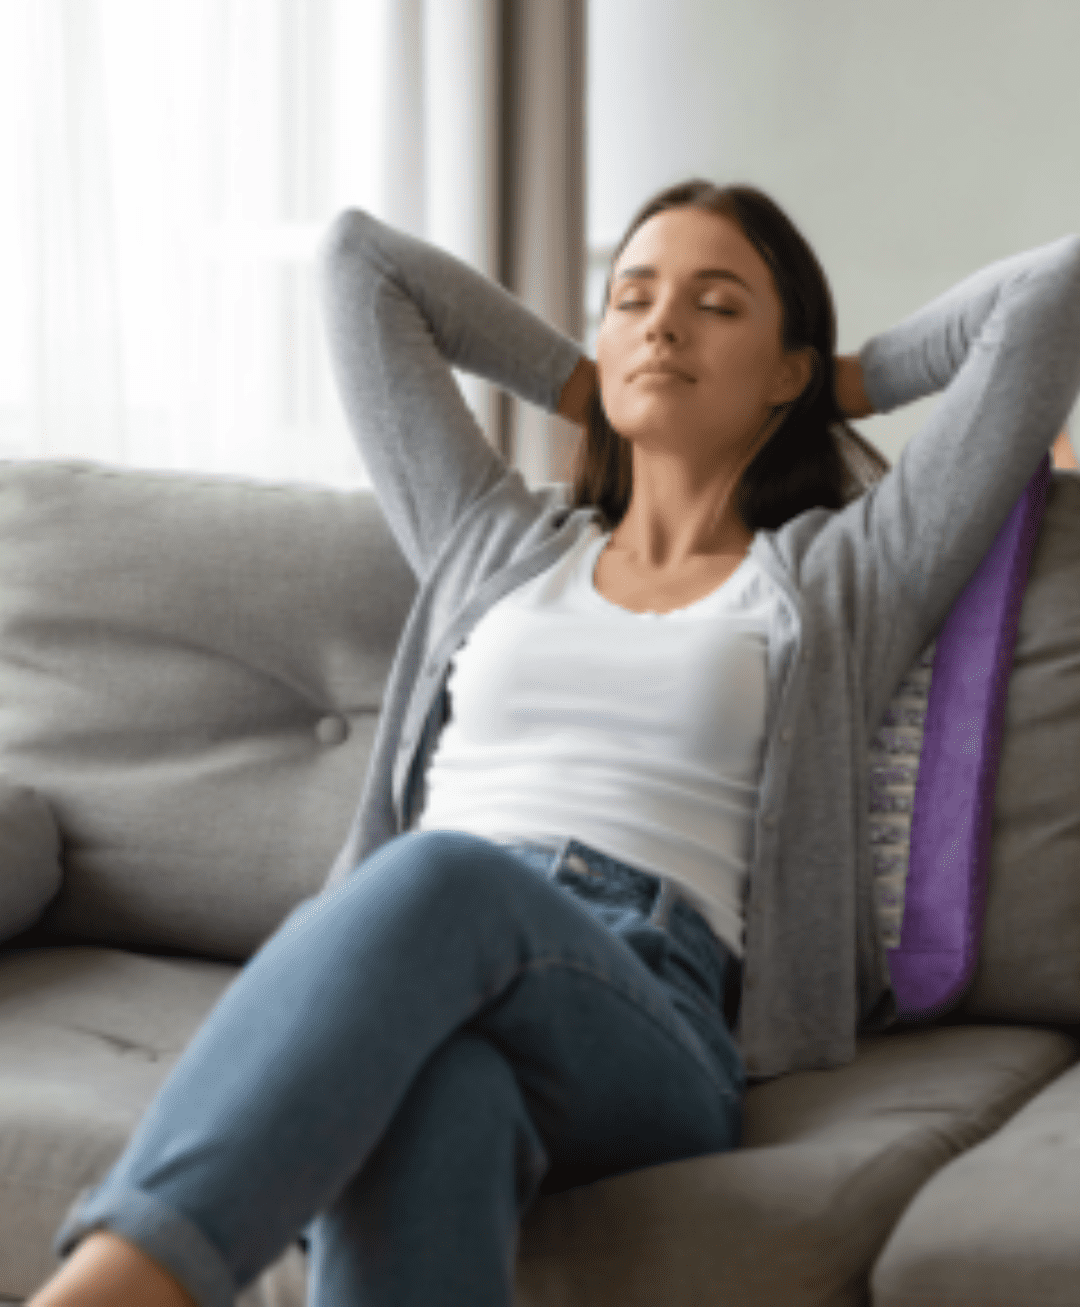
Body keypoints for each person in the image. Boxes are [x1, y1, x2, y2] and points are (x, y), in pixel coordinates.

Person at [27, 181, 1080, 1307]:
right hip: (433, 957)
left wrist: (843, 385)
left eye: (716, 306)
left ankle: (120, 1285)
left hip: (643, 996)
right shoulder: (489, 541)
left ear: (786, 367)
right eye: (633, 299)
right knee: (445, 1098)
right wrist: (582, 381)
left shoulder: (841, 579)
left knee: (439, 873)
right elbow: (359, 265)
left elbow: (1050, 294)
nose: (664, 323)